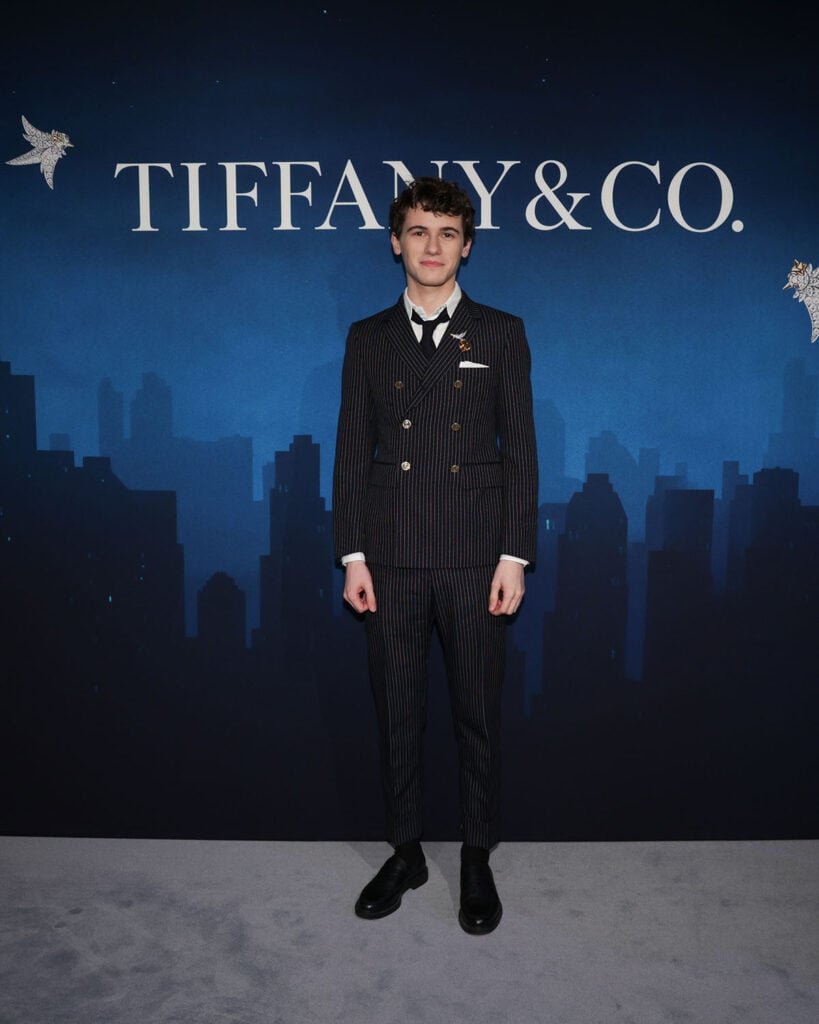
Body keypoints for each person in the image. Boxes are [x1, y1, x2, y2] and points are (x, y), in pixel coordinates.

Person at [333, 177, 538, 935]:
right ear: (396, 242)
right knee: (397, 714)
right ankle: (406, 852)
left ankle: (477, 855)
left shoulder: (501, 332)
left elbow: (520, 451)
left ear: (467, 246)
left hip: (476, 554)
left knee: (476, 713)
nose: (432, 246)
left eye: (447, 233)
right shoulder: (367, 338)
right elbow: (352, 451)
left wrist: (514, 555)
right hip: (389, 555)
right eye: (418, 231)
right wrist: (352, 555)